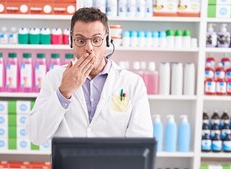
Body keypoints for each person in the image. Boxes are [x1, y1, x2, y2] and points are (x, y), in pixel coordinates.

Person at [26, 7, 153, 145]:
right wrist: (63, 92)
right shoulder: (54, 78)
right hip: (69, 166)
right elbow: (36, 136)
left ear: (108, 40)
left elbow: (141, 142)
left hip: (114, 166)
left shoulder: (132, 83)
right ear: (71, 41)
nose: (89, 47)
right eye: (80, 40)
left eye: (96, 40)